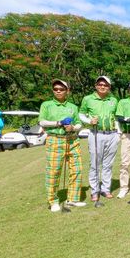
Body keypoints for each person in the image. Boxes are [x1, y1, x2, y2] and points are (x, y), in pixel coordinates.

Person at [39, 79, 85, 212]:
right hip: (55, 139)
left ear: (67, 91)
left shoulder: (73, 107)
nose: (58, 91)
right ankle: (53, 201)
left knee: (77, 169)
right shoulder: (46, 105)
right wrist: (58, 123)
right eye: (56, 89)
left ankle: (73, 199)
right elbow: (42, 122)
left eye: (61, 89)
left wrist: (73, 128)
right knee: (53, 171)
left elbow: (79, 124)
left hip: (72, 139)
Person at [79, 76, 119, 201]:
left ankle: (105, 189)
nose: (102, 87)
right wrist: (89, 121)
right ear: (96, 85)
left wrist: (119, 133)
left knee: (108, 164)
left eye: (105, 85)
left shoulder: (113, 100)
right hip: (96, 133)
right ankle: (94, 190)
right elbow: (81, 114)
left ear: (109, 87)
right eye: (100, 84)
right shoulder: (88, 99)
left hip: (112, 134)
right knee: (95, 164)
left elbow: (116, 117)